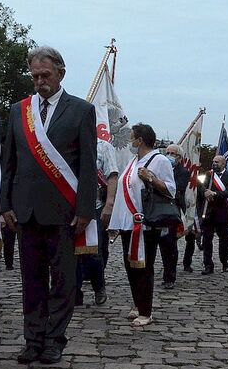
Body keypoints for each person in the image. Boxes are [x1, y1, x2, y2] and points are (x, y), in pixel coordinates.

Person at [0, 47, 97, 365]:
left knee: (63, 280)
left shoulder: (81, 110)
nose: (40, 81)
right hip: (25, 210)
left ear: (61, 74)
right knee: (31, 280)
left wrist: (85, 210)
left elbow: (86, 165)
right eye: (35, 76)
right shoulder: (19, 111)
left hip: (64, 212)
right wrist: (5, 204)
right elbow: (9, 161)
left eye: (46, 75)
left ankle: (55, 339)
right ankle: (33, 339)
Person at [108, 123, 176, 326]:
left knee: (144, 267)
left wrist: (152, 179)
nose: (130, 141)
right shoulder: (133, 162)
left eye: (132, 137)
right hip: (129, 222)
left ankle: (146, 311)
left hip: (147, 223)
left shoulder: (160, 160)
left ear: (140, 140)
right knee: (130, 265)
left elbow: (171, 190)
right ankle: (138, 303)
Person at [76, 138, 118, 306]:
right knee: (72, 253)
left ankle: (99, 287)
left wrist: (109, 203)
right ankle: (74, 292)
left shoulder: (103, 146)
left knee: (94, 252)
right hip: (71, 205)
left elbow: (112, 176)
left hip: (96, 205)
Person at [160, 144, 189, 289]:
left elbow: (177, 189)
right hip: (158, 211)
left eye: (173, 154)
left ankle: (170, 276)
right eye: (167, 153)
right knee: (160, 244)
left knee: (170, 245)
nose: (170, 156)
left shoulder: (182, 172)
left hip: (173, 210)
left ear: (179, 157)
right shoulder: (160, 169)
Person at [199, 154, 228, 274]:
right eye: (213, 161)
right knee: (207, 240)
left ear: (223, 163)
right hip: (208, 212)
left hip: (222, 213)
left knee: (224, 240)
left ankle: (224, 261)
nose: (214, 164)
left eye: (217, 162)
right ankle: (208, 265)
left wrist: (214, 194)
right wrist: (205, 192)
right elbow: (200, 186)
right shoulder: (209, 174)